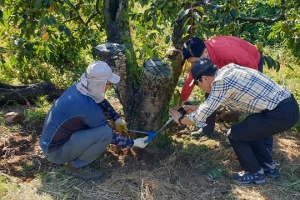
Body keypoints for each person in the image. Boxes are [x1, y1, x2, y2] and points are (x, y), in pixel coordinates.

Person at [169, 58, 299, 184]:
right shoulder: (228, 71)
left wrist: (180, 120)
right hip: (286, 108)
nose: (199, 87)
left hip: (280, 114)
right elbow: (216, 103)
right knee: (249, 129)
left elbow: (200, 117)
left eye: (197, 84)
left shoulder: (221, 82)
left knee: (235, 135)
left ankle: (255, 173)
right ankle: (268, 166)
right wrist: (196, 108)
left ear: (205, 78)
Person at [39, 61, 148, 180]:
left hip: (51, 143)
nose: (110, 85)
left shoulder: (80, 88)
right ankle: (76, 166)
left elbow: (100, 100)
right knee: (105, 133)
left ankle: (78, 153)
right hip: (56, 152)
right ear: (99, 84)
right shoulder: (88, 109)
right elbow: (110, 136)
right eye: (109, 83)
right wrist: (134, 143)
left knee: (100, 130)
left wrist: (116, 119)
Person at [180, 36, 273, 153]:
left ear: (205, 52)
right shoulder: (200, 57)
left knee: (257, 106)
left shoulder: (225, 52)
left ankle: (266, 145)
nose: (195, 65)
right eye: (192, 63)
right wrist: (181, 102)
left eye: (195, 62)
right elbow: (191, 80)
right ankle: (207, 129)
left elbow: (252, 66)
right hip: (227, 69)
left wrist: (244, 89)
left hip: (251, 63)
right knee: (211, 94)